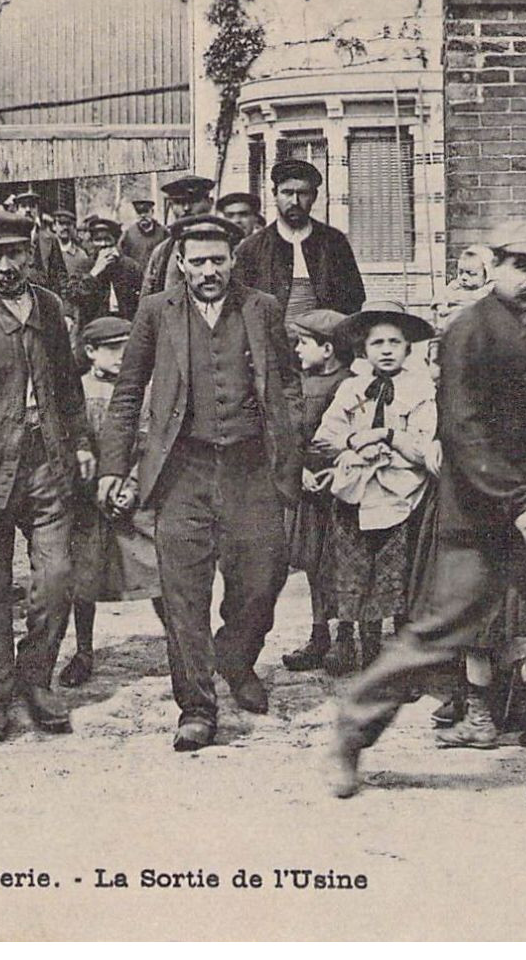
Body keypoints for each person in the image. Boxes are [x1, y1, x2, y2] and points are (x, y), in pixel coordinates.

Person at [327, 218, 526, 821]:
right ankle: (353, 724)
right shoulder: (470, 330)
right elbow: (463, 430)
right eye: (523, 266)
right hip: (483, 522)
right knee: (438, 635)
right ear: (496, 267)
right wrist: (517, 502)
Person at [96, 214, 301, 752]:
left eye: (219, 259)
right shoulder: (154, 313)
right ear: (180, 263)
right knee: (184, 595)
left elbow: (290, 384)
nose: (210, 270)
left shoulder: (262, 309)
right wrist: (114, 468)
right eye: (199, 261)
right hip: (182, 470)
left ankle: (234, 657)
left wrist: (289, 440)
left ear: (233, 261)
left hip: (251, 468)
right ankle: (197, 707)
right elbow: (126, 394)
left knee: (262, 581)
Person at [0, 212, 93, 741]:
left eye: (14, 254)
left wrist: (80, 444)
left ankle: (36, 678)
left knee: (55, 579)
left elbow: (69, 388)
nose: (5, 266)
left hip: (47, 461)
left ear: (31, 253)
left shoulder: (49, 308)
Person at [313, 301, 439, 672]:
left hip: (399, 493)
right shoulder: (352, 388)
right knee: (352, 568)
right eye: (377, 343)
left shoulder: (419, 390)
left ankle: (398, 654)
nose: (386, 350)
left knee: (395, 573)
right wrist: (355, 441)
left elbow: (422, 445)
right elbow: (326, 437)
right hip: (355, 490)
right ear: (364, 350)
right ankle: (352, 643)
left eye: (394, 343)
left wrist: (387, 435)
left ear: (407, 348)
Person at [63, 315, 162, 689]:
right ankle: (84, 651)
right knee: (83, 577)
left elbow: (152, 440)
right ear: (90, 352)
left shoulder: (143, 390)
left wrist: (133, 484)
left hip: (135, 498)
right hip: (89, 501)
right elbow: (73, 442)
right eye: (112, 349)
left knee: (158, 570)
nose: (123, 356)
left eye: (128, 347)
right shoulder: (78, 393)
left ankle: (180, 645)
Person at [279, 309, 355, 674]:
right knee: (313, 564)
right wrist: (299, 470)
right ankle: (318, 634)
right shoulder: (300, 384)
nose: (296, 350)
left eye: (303, 343)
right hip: (308, 488)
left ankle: (346, 638)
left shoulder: (349, 385)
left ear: (328, 349)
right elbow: (290, 436)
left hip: (341, 489)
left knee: (342, 563)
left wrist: (329, 470)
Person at [233, 159, 366, 320]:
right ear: (274, 194)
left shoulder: (334, 242)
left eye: (303, 193)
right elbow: (238, 306)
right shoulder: (251, 248)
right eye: (287, 193)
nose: (295, 201)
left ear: (314, 196)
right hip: (270, 342)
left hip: (323, 341)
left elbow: (354, 300)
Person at [138, 174, 216, 295]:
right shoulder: (163, 252)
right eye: (179, 202)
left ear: (210, 203)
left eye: (194, 201)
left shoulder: (227, 247)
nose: (186, 208)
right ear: (172, 206)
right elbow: (147, 300)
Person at [66, 217, 142, 324]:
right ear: (92, 242)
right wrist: (94, 272)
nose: (102, 244)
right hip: (93, 325)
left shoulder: (130, 266)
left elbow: (141, 299)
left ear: (115, 242)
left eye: (107, 239)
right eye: (98, 240)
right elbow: (73, 295)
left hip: (124, 324)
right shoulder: (84, 266)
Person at [433, 244, 494, 332]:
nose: (464, 277)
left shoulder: (489, 290)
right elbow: (440, 296)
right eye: (461, 272)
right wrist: (441, 306)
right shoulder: (456, 285)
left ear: (487, 274)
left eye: (471, 274)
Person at [118, 198, 167, 281]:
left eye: (146, 212)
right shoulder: (128, 234)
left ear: (152, 212)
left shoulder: (163, 233)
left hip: (158, 278)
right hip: (135, 279)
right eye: (139, 212)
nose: (143, 216)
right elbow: (121, 256)